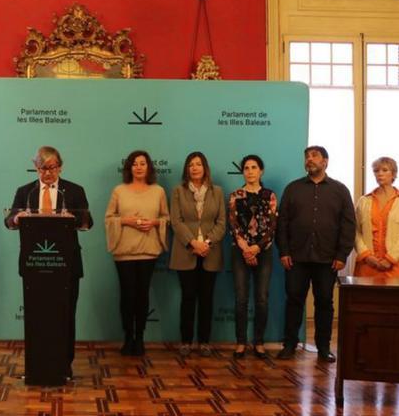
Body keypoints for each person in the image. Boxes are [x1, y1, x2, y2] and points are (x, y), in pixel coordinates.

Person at [5, 146, 92, 379]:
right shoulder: (26, 192)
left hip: (67, 266)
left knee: (65, 315)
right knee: (37, 316)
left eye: (52, 168)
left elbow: (87, 222)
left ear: (60, 167)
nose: (48, 173)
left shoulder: (73, 191)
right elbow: (9, 219)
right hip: (35, 266)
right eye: (43, 168)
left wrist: (75, 219)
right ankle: (36, 364)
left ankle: (64, 365)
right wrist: (16, 217)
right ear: (36, 168)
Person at [276, 146, 355, 363]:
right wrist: (283, 251)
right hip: (296, 257)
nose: (309, 160)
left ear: (326, 162)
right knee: (294, 301)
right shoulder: (293, 189)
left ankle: (323, 348)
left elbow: (348, 225)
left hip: (328, 259)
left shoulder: (340, 190)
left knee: (324, 303)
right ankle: (289, 345)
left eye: (314, 156)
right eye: (307, 157)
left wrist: (342, 255)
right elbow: (281, 223)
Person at [104, 150, 168, 356]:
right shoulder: (119, 191)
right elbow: (108, 218)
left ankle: (140, 337)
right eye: (134, 164)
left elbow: (167, 218)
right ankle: (127, 337)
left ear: (149, 167)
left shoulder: (158, 191)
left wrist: (154, 222)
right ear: (129, 168)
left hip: (148, 252)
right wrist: (125, 221)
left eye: (143, 163)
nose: (139, 167)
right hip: (124, 252)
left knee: (142, 295)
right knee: (127, 295)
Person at [168, 151, 226, 357]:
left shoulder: (217, 191)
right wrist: (192, 242)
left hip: (210, 252)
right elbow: (176, 221)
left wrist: (206, 242)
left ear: (205, 168)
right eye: (191, 164)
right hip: (186, 252)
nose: (194, 168)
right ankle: (185, 341)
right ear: (186, 169)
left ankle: (204, 341)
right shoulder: (178, 191)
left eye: (198, 164)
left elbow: (221, 223)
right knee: (188, 297)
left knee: (207, 299)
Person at [227, 154, 277, 359]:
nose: (250, 171)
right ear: (243, 172)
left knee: (262, 298)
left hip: (263, 252)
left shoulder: (270, 195)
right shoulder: (235, 195)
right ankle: (240, 342)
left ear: (261, 170)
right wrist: (245, 248)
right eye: (246, 168)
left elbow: (273, 225)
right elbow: (233, 224)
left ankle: (259, 342)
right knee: (241, 299)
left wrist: (256, 248)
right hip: (240, 251)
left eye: (254, 167)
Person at [353, 157, 399, 278]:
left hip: (396, 264)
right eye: (376, 170)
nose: (380, 173)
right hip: (367, 264)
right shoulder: (364, 201)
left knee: (394, 297)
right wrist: (366, 256)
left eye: (385, 170)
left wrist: (390, 259)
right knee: (364, 297)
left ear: (394, 174)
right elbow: (355, 231)